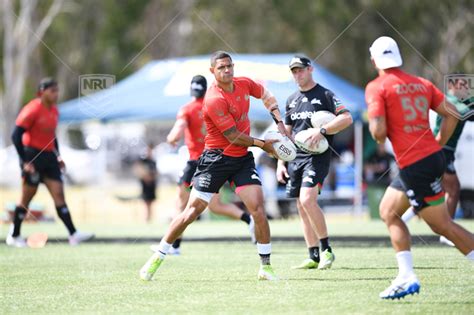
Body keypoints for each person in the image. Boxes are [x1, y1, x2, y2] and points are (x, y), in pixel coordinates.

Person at [140, 51, 290, 281]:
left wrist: (279, 121)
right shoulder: (213, 99)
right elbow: (232, 135)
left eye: (229, 66)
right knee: (191, 212)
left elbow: (267, 95)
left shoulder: (244, 83)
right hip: (215, 160)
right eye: (221, 68)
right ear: (213, 71)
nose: (227, 70)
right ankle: (158, 256)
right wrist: (263, 145)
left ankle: (265, 267)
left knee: (258, 208)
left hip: (241, 159)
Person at [365, 36, 474, 300]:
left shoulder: (377, 87)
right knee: (388, 211)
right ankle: (405, 275)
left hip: (415, 163)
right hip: (429, 157)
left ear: (374, 60)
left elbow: (379, 132)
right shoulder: (421, 83)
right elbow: (454, 112)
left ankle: (407, 276)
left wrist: (378, 133)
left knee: (442, 226)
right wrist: (439, 143)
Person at [162, 75, 256, 254]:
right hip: (215, 160)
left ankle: (173, 246)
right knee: (215, 206)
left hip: (197, 161)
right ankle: (249, 219)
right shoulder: (214, 104)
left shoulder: (188, 109)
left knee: (181, 203)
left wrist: (172, 138)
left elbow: (178, 129)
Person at [276, 55, 353, 270]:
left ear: (310, 69)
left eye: (300, 70)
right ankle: (313, 255)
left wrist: (323, 131)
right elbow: (287, 135)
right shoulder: (291, 99)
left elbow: (347, 118)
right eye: (294, 71)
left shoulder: (325, 94)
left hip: (317, 157)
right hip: (295, 158)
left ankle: (327, 250)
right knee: (301, 206)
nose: (297, 74)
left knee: (307, 199)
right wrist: (280, 163)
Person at [7, 78, 94, 247]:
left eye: (57, 90)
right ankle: (15, 235)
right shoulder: (32, 109)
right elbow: (16, 136)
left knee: (59, 195)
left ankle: (73, 234)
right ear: (42, 91)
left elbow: (51, 137)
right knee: (26, 199)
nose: (56, 94)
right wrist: (24, 161)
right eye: (52, 91)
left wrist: (58, 155)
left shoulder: (54, 111)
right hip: (32, 156)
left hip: (49, 158)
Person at [402, 77, 474, 246]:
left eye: (467, 86)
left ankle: (402, 218)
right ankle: (445, 233)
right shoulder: (450, 102)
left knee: (434, 191)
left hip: (443, 152)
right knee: (453, 188)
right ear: (451, 86)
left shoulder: (462, 103)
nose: (465, 89)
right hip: (441, 151)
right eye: (461, 85)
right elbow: (463, 111)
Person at [134, 143, 158, 223]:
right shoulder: (142, 161)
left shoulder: (153, 161)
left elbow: (156, 173)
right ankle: (146, 218)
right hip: (145, 185)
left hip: (152, 184)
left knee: (151, 202)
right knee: (145, 202)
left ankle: (149, 218)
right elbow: (139, 171)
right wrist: (146, 177)